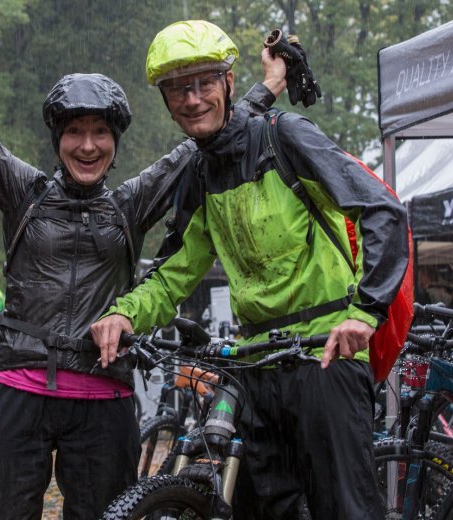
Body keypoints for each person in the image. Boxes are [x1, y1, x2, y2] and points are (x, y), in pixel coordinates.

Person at [0, 2, 286, 518]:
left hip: (103, 396)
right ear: (58, 140)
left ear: (115, 143)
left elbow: (202, 142)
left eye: (101, 134)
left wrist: (268, 85)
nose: (88, 146)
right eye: (75, 132)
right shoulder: (22, 191)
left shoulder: (130, 204)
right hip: (17, 387)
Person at [91, 20, 411, 520]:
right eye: (178, 89)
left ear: (228, 84)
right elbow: (174, 272)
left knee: (346, 509)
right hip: (254, 365)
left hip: (325, 355)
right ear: (167, 101)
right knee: (256, 510)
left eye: (203, 84)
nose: (192, 99)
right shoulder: (199, 172)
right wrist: (125, 314)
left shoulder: (284, 137)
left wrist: (365, 311)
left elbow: (382, 211)